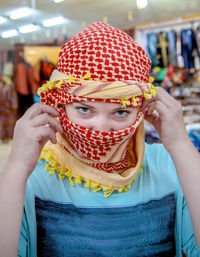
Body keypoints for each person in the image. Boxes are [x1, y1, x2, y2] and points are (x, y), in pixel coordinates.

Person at [0, 22, 200, 257]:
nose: (101, 129)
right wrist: (16, 168)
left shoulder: (169, 166)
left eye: (120, 112)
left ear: (141, 112)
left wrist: (180, 145)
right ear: (60, 105)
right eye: (85, 109)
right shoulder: (33, 175)